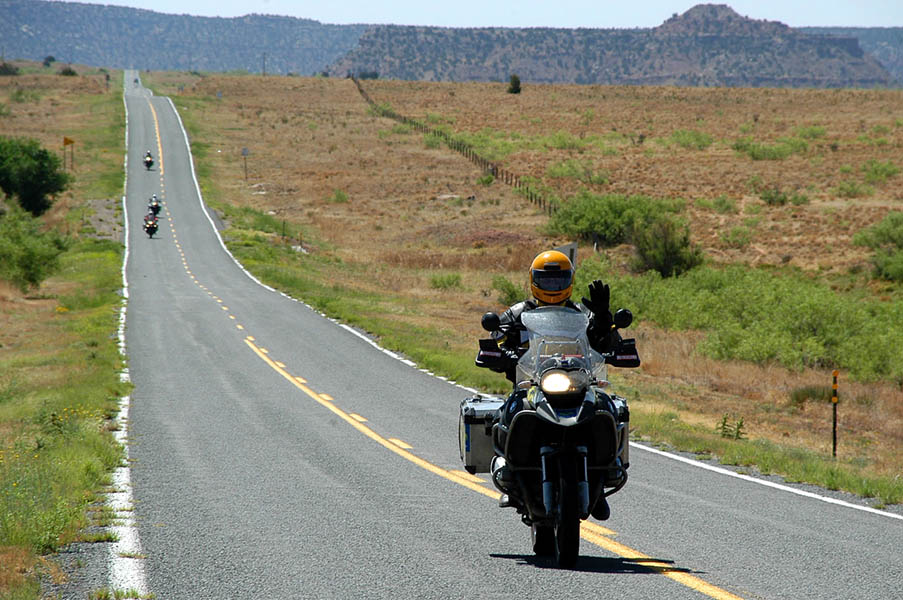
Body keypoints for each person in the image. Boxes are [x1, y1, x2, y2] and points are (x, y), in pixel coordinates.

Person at [478, 249, 620, 519]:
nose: (553, 286)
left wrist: (604, 319)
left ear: (569, 280)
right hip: (531, 384)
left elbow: (606, 343)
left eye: (558, 280)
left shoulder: (583, 313)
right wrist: (501, 353)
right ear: (534, 280)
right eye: (547, 280)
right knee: (507, 412)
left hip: (579, 382)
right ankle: (509, 472)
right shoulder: (517, 314)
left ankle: (602, 479)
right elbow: (496, 339)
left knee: (608, 409)